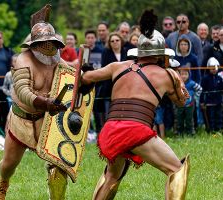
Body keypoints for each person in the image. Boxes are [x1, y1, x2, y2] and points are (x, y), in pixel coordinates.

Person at [80, 10, 190, 199]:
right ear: (160, 54)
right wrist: (178, 82)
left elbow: (86, 78)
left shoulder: (118, 66)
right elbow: (182, 102)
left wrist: (85, 67)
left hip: (110, 130)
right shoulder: (167, 75)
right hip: (135, 130)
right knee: (177, 170)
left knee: (112, 175)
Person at [0, 22, 68, 200]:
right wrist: (44, 102)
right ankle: (3, 183)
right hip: (22, 120)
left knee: (57, 163)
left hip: (46, 120)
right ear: (33, 44)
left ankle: (57, 198)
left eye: (50, 41)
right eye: (43, 41)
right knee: (9, 165)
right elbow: (22, 90)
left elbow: (71, 76)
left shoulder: (56, 58)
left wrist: (83, 75)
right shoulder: (23, 60)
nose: (48, 45)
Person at [200, 57, 223, 133]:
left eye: (215, 68)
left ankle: (219, 130)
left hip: (218, 101)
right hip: (209, 102)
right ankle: (211, 130)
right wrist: (202, 102)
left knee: (219, 116)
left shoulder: (220, 78)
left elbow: (222, 88)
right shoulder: (205, 78)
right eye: (212, 68)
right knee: (211, 117)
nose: (214, 70)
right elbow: (202, 91)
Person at [176, 69, 202, 136]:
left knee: (189, 119)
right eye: (182, 74)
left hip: (190, 105)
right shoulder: (177, 84)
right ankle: (180, 133)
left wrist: (195, 98)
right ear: (179, 75)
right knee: (179, 120)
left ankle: (190, 133)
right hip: (180, 105)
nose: (184, 76)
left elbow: (199, 89)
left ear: (189, 75)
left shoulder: (191, 83)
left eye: (186, 74)